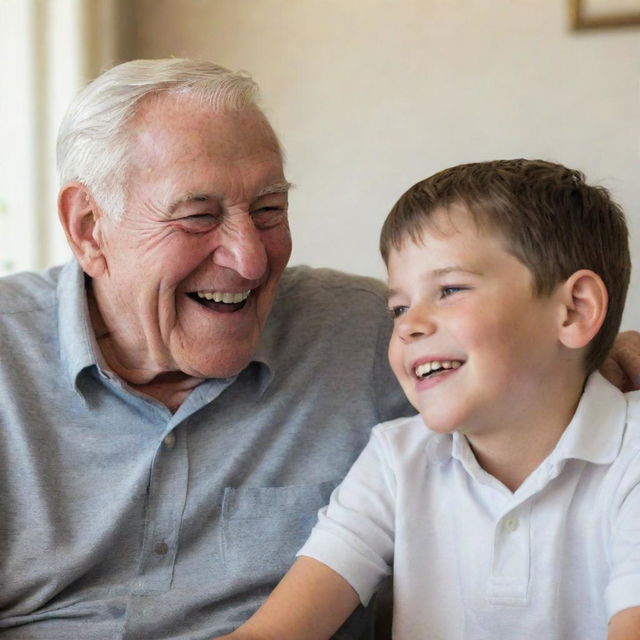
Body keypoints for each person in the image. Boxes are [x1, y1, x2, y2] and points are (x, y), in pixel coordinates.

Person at [0, 60, 637, 639]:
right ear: (88, 228)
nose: (250, 259)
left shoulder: (374, 337)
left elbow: (538, 370)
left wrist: (607, 358)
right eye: (197, 216)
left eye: (270, 209)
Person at [216, 159, 640, 640]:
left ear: (574, 310)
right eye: (398, 306)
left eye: (450, 289)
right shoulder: (395, 459)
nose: (408, 324)